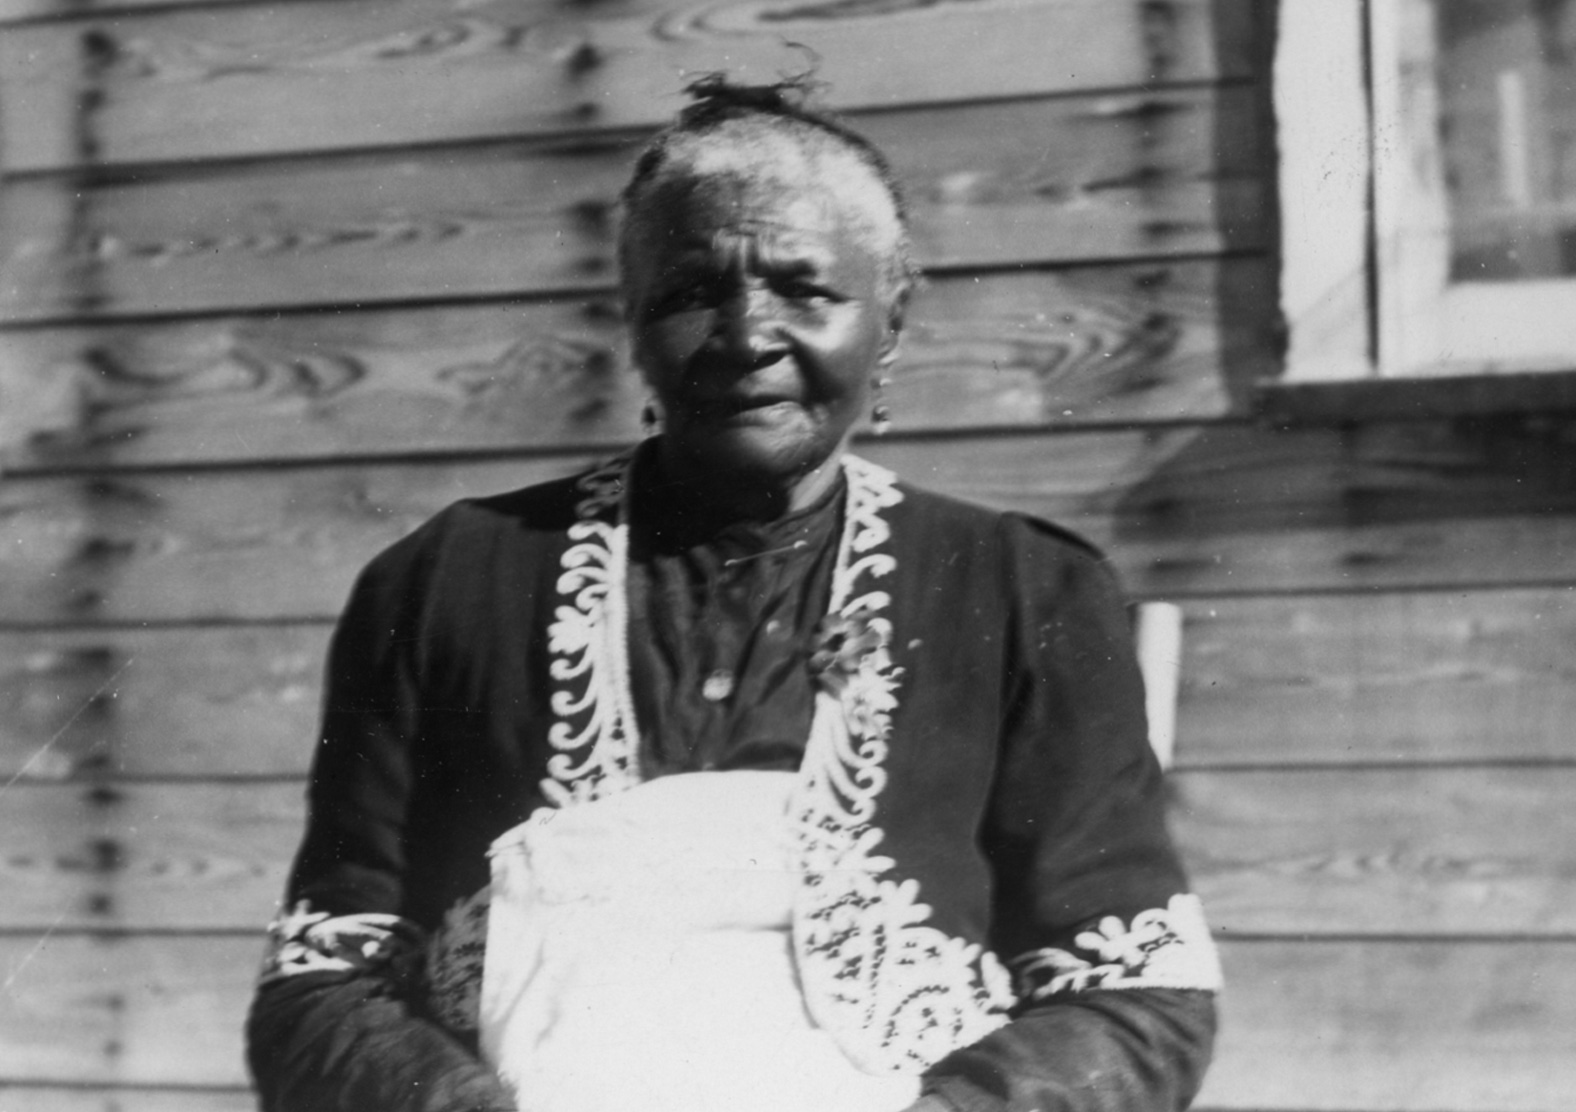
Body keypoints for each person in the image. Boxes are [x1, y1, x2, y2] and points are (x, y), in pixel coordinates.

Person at [246, 77, 1221, 1112]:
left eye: (806, 289)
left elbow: (1135, 989)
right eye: (691, 292)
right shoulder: (445, 581)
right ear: (630, 321)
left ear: (890, 318)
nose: (747, 332)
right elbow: (320, 981)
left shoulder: (1028, 591)